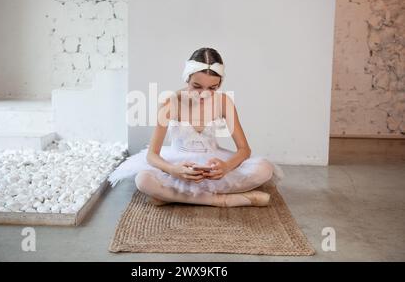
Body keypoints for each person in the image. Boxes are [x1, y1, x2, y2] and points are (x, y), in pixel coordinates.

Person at [108, 47, 285, 207]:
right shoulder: (172, 104)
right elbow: (152, 155)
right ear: (187, 78)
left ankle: (172, 197)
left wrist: (226, 167)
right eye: (197, 86)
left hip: (212, 163)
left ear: (220, 84)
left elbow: (244, 149)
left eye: (212, 88)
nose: (204, 94)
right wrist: (173, 170)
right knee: (143, 180)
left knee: (264, 169)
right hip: (179, 163)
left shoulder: (223, 102)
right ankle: (226, 200)